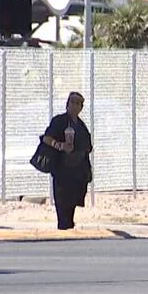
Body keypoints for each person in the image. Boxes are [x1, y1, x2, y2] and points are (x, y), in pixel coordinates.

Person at [41, 91, 93, 229]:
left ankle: (69, 225)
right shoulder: (59, 121)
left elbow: (87, 147)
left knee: (72, 203)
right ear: (67, 104)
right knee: (63, 204)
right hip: (62, 169)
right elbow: (47, 138)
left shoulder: (81, 126)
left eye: (78, 103)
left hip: (77, 171)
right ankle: (64, 227)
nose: (74, 106)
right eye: (72, 102)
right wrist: (60, 145)